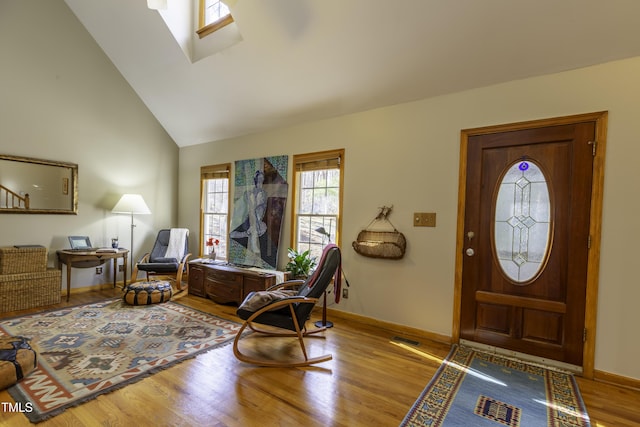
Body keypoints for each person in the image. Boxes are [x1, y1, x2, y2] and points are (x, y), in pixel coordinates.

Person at [230, 170, 268, 257]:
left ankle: (250, 235)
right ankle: (249, 235)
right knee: (252, 214)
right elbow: (247, 207)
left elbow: (263, 207)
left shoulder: (264, 194)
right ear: (255, 179)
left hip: (257, 218)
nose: (260, 181)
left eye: (262, 178)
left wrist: (258, 205)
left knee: (259, 224)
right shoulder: (248, 193)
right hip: (248, 218)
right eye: (259, 178)